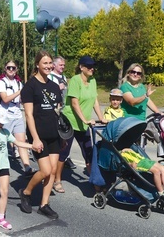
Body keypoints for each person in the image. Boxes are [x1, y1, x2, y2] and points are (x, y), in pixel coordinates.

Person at [53, 56, 107, 194]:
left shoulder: (93, 80)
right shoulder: (75, 80)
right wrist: (84, 119)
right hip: (70, 122)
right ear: (82, 67)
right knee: (64, 153)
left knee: (89, 152)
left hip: (84, 124)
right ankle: (56, 180)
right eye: (89, 66)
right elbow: (75, 103)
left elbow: (94, 100)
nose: (92, 69)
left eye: (93, 66)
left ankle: (95, 181)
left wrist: (101, 118)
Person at [19, 50, 61, 219]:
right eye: (45, 63)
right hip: (39, 134)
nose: (48, 66)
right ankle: (26, 192)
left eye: (50, 63)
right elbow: (28, 115)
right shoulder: (30, 86)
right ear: (37, 64)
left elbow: (56, 111)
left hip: (54, 133)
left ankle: (44, 204)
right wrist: (35, 138)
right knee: (45, 171)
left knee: (52, 171)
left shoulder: (54, 86)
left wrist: (62, 136)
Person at [0, 60, 36, 177]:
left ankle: (27, 167)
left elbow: (22, 99)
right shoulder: (2, 82)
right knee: (2, 143)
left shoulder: (19, 83)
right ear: (5, 69)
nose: (11, 70)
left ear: (17, 69)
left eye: (13, 68)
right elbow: (5, 99)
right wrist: (20, 92)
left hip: (17, 114)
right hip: (6, 115)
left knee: (21, 142)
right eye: (9, 68)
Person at [48, 56, 76, 170]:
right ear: (54, 65)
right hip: (54, 109)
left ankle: (65, 157)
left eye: (64, 65)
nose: (63, 67)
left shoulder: (63, 77)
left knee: (65, 133)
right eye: (61, 65)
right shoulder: (50, 76)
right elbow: (48, 91)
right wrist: (57, 88)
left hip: (63, 108)